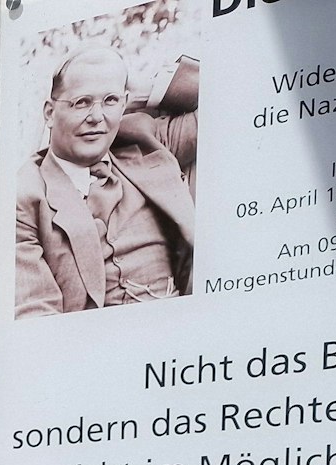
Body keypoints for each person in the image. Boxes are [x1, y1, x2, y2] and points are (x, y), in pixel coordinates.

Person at [13, 47, 199, 318]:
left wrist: (145, 89)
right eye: (82, 102)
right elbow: (36, 315)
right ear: (50, 113)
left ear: (125, 103)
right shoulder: (25, 195)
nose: (96, 117)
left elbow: (231, 98)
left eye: (110, 101)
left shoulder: (148, 143)